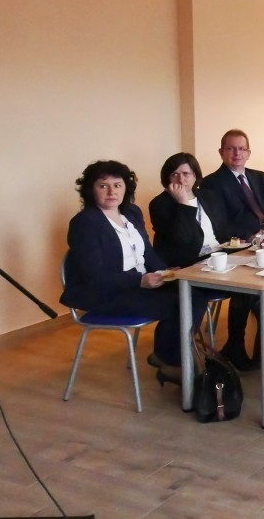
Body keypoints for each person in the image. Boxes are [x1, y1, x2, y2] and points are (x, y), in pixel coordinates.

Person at [62, 160, 207, 386]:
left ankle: (166, 356)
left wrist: (164, 271)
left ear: (125, 189)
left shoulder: (131, 212)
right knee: (180, 303)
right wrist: (140, 280)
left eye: (117, 185)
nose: (112, 191)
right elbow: (95, 276)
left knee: (196, 293)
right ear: (91, 190)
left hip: (141, 284)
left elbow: (147, 253)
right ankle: (172, 362)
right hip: (106, 293)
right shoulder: (85, 223)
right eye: (103, 186)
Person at [201, 129, 264, 370]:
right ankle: (235, 345)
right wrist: (255, 233)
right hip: (237, 247)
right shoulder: (211, 183)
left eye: (241, 148)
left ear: (248, 152)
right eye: (231, 148)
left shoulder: (258, 177)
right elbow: (220, 223)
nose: (237, 153)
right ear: (221, 152)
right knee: (247, 287)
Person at [149, 152, 226, 269]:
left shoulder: (208, 196)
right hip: (188, 263)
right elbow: (183, 239)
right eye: (174, 174)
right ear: (167, 178)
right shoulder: (159, 204)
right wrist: (183, 203)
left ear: (194, 176)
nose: (181, 179)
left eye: (186, 174)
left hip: (218, 255)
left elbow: (222, 230)